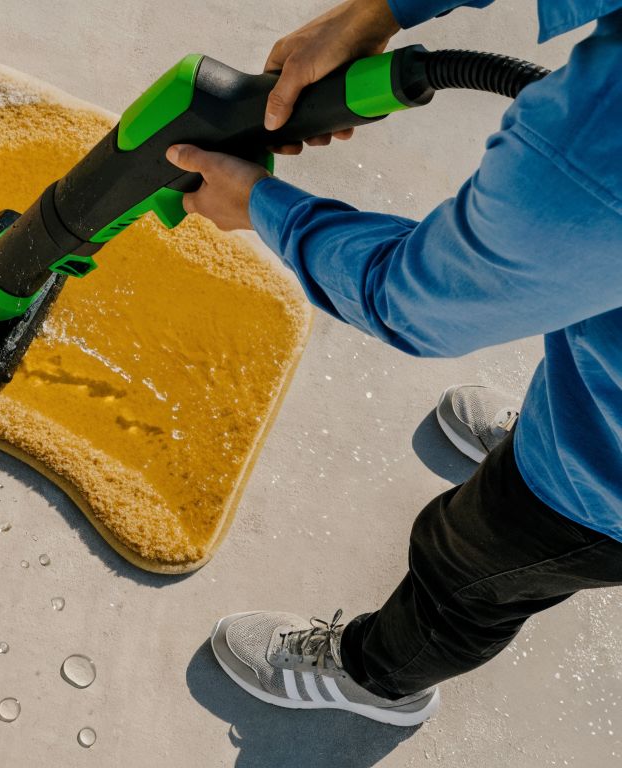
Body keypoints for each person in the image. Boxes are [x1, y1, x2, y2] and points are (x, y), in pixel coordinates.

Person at [176, 0, 622, 726]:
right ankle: (555, 426)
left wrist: (260, 206)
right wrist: (379, 12)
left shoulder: (605, 143)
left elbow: (415, 300)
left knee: (471, 565)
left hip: (606, 486)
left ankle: (377, 679)